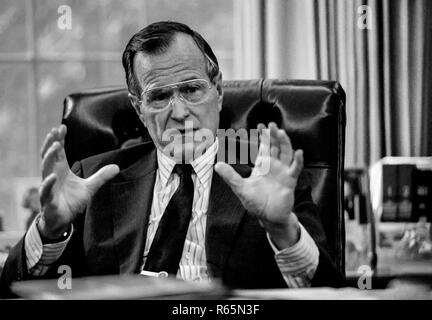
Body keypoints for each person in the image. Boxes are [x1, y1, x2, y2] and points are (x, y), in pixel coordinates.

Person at [0, 21, 343, 297]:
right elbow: (12, 289)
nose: (179, 112)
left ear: (218, 91)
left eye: (192, 90)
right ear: (139, 107)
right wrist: (49, 230)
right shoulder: (93, 179)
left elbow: (327, 291)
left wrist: (282, 228)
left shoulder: (267, 175)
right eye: (159, 96)